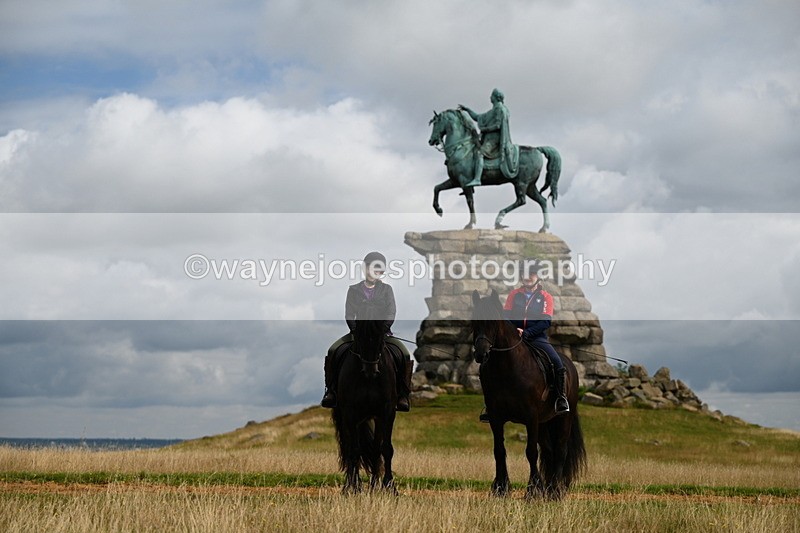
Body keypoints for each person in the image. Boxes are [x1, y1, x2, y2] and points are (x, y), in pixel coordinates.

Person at [321, 251, 414, 411]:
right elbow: (349, 314)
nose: (374, 272)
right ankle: (331, 392)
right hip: (357, 334)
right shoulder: (354, 290)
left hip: (382, 334)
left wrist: (382, 330)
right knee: (333, 350)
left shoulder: (386, 289)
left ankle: (403, 395)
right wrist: (356, 331)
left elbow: (391, 311)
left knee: (405, 354)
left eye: (378, 270)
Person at [479, 259, 569, 421]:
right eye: (524, 274)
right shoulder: (514, 295)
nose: (527, 277)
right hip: (514, 337)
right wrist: (514, 331)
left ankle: (560, 398)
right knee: (487, 364)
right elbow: (506, 317)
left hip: (536, 338)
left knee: (557, 362)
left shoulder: (546, 297)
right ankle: (489, 404)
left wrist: (527, 333)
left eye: (531, 274)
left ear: (538, 276)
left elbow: (545, 322)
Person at [458, 88, 518, 187]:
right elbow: (477, 117)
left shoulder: (500, 109)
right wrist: (467, 110)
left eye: (492, 96)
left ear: (495, 97)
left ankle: (477, 179)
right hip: (488, 138)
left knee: (480, 153)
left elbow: (498, 125)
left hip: (494, 140)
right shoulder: (493, 111)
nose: (490, 97)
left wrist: (485, 129)